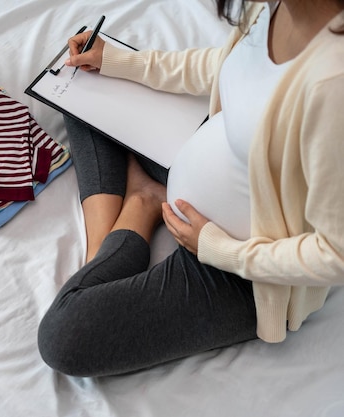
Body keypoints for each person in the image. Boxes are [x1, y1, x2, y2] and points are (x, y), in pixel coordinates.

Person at [37, 0, 344, 377]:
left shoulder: (334, 83)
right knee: (77, 81)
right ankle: (107, 243)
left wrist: (220, 250)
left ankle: (140, 206)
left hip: (241, 272)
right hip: (190, 155)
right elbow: (230, 66)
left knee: (64, 337)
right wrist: (121, 62)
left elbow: (336, 252)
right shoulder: (275, 5)